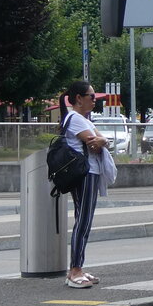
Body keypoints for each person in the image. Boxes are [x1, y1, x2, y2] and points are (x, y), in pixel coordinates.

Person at [59, 81, 115, 288]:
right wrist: (102, 140)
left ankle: (78, 267)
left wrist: (103, 140)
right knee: (83, 222)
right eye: (91, 97)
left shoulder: (82, 119)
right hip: (86, 173)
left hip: (89, 172)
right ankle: (75, 270)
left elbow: (101, 140)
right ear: (78, 99)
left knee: (83, 220)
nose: (94, 100)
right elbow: (94, 141)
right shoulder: (75, 118)